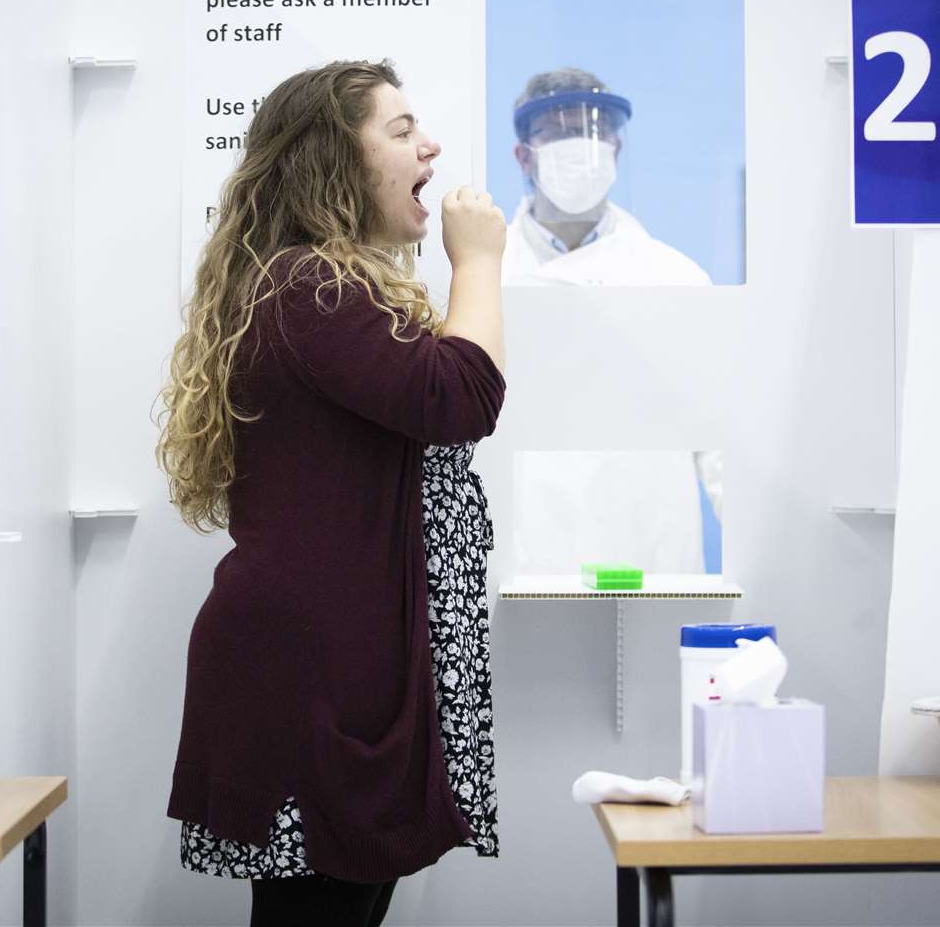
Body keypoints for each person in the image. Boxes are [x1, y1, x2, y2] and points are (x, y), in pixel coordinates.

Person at [157, 59, 507, 927]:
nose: (430, 145)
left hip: (332, 666)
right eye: (400, 130)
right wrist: (481, 262)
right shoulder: (311, 287)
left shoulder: (313, 288)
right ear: (333, 160)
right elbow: (458, 398)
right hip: (316, 676)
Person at [502, 67, 713, 287]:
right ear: (524, 157)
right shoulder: (485, 275)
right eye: (558, 131)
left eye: (594, 131)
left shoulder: (678, 280)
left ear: (616, 150)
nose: (580, 145)